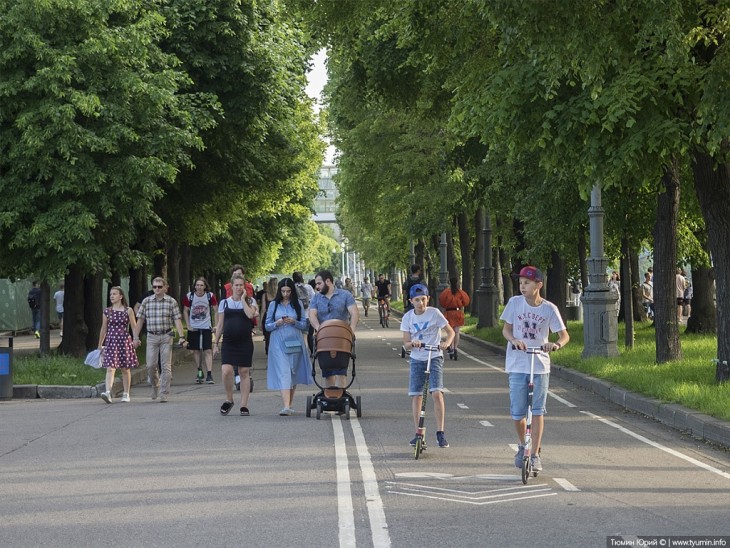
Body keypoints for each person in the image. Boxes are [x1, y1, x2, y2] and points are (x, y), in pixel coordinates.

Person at [501, 266, 569, 473]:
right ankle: (523, 446)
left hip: (539, 364)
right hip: (517, 363)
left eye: (527, 283)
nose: (522, 286)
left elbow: (564, 335)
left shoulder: (549, 308)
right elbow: (506, 329)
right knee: (517, 412)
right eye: (521, 282)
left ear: (538, 285)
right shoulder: (514, 303)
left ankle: (535, 453)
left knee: (537, 410)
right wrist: (514, 340)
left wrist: (555, 345)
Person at [401, 284, 455, 449]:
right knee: (416, 395)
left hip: (434, 356)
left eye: (423, 299)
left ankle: (440, 432)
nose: (420, 303)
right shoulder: (408, 318)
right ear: (411, 301)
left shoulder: (434, 314)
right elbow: (405, 344)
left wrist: (447, 343)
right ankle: (419, 432)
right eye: (417, 300)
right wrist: (412, 343)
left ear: (428, 299)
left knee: (436, 393)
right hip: (417, 358)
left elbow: (450, 332)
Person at [132, 277, 187, 403]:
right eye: (154, 287)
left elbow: (177, 319)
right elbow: (139, 320)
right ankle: (155, 385)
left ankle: (164, 392)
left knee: (166, 366)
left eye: (159, 287)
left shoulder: (171, 302)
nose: (156, 289)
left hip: (166, 336)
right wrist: (135, 337)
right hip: (151, 336)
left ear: (165, 288)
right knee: (150, 365)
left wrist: (182, 337)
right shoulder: (146, 301)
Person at [265, 278, 313, 415]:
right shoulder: (273, 305)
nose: (285, 294)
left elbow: (304, 324)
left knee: (293, 371)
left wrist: (294, 322)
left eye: (288, 291)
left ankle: (289, 403)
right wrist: (277, 323)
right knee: (284, 371)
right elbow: (267, 326)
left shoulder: (297, 304)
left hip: (294, 341)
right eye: (283, 291)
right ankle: (286, 406)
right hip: (278, 343)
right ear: (279, 291)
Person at [214, 274, 258, 416]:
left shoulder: (250, 301)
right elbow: (220, 324)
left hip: (244, 342)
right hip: (229, 342)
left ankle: (244, 405)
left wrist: (244, 299)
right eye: (236, 285)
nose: (239, 288)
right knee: (226, 370)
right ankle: (229, 399)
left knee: (244, 372)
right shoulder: (224, 303)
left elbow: (250, 315)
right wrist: (215, 343)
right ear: (231, 286)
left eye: (241, 285)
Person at [309, 270, 359, 388]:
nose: (316, 286)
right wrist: (318, 329)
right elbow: (312, 315)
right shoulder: (316, 298)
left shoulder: (345, 295)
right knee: (328, 372)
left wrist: (351, 330)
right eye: (316, 284)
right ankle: (330, 396)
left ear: (328, 281)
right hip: (324, 338)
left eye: (319, 283)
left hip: (341, 337)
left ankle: (341, 396)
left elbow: (354, 313)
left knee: (341, 370)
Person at [98, 286, 139, 403]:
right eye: (111, 294)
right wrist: (100, 344)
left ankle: (126, 393)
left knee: (125, 369)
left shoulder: (128, 310)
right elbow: (103, 329)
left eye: (114, 294)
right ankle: (107, 392)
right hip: (111, 341)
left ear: (121, 296)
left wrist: (135, 339)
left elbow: (134, 326)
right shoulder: (107, 311)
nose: (112, 296)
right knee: (110, 368)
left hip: (124, 341)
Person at [183, 277, 218, 385]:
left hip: (206, 326)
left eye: (201, 285)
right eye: (197, 285)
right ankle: (199, 370)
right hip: (194, 327)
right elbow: (185, 311)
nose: (199, 287)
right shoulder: (190, 296)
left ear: (205, 286)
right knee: (196, 350)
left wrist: (216, 325)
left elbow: (216, 310)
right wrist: (188, 325)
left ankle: (209, 373)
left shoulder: (209, 296)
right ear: (194, 286)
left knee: (208, 350)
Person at [438, 277, 471, 360]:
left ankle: (451, 347)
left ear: (449, 282)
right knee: (456, 331)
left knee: (450, 331)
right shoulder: (460, 292)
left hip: (449, 313)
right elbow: (466, 301)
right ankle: (456, 348)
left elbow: (442, 301)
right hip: (457, 312)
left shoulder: (446, 292)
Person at [293, 271, 316, 352]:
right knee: (309, 335)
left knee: (298, 335)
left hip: (296, 315)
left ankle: (300, 352)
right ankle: (312, 351)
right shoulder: (308, 287)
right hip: (307, 315)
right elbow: (314, 299)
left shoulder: (292, 287)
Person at [259, 277, 278, 355]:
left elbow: (263, 309)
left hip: (267, 317)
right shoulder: (279, 295)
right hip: (277, 317)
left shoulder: (265, 295)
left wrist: (260, 322)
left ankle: (268, 351)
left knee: (267, 337)